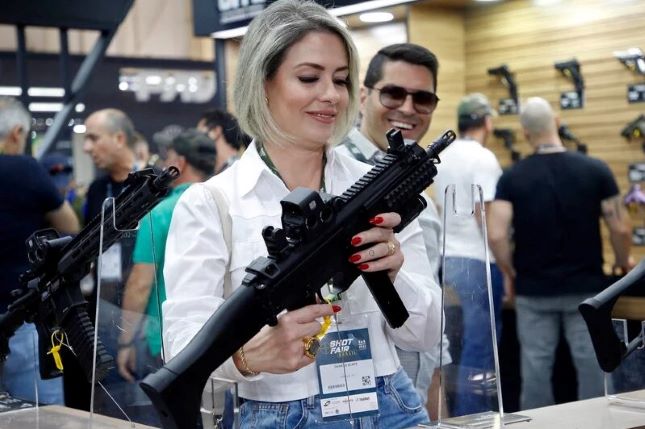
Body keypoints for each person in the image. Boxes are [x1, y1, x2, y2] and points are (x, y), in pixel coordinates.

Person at [162, 1, 442, 427]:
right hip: (275, 413)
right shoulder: (212, 203)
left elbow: (424, 334)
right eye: (309, 77)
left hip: (389, 404)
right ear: (263, 82)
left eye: (342, 80)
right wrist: (248, 357)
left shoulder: (378, 188)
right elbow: (180, 345)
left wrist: (393, 273)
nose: (330, 95)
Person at [487, 97, 633, 410]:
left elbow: (497, 233)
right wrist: (624, 263)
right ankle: (596, 423)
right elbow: (620, 227)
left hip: (533, 291)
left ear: (525, 133)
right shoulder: (595, 169)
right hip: (588, 291)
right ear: (556, 121)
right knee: (593, 367)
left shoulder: (512, 177)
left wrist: (510, 272)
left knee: (535, 368)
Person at [335, 42, 450, 420]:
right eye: (394, 93)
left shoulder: (416, 184)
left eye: (423, 98)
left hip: (409, 401)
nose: (407, 108)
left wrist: (433, 410)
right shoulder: (332, 172)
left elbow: (428, 309)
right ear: (364, 96)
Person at [116, 129, 215, 425]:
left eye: (168, 158)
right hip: (217, 338)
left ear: (180, 163)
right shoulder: (224, 205)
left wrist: (124, 342)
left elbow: (140, 283)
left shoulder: (159, 213)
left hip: (164, 342)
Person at [0, 96, 79, 405]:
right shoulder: (24, 169)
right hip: (20, 315)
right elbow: (70, 226)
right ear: (17, 133)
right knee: (39, 416)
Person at [431, 93, 503, 416]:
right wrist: (505, 264)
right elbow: (483, 214)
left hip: (448, 260)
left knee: (454, 346)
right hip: (477, 259)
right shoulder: (484, 158)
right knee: (481, 344)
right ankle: (477, 416)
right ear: (486, 122)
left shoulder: (446, 155)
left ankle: (458, 412)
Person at [63, 108, 138, 412]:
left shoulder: (151, 187)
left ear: (119, 138)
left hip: (142, 312)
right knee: (107, 400)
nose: (86, 147)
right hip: (103, 307)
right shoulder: (97, 190)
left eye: (94, 138)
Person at [197, 109, 249, 173]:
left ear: (216, 131)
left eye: (200, 133)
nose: (197, 140)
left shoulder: (241, 170)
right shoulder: (211, 173)